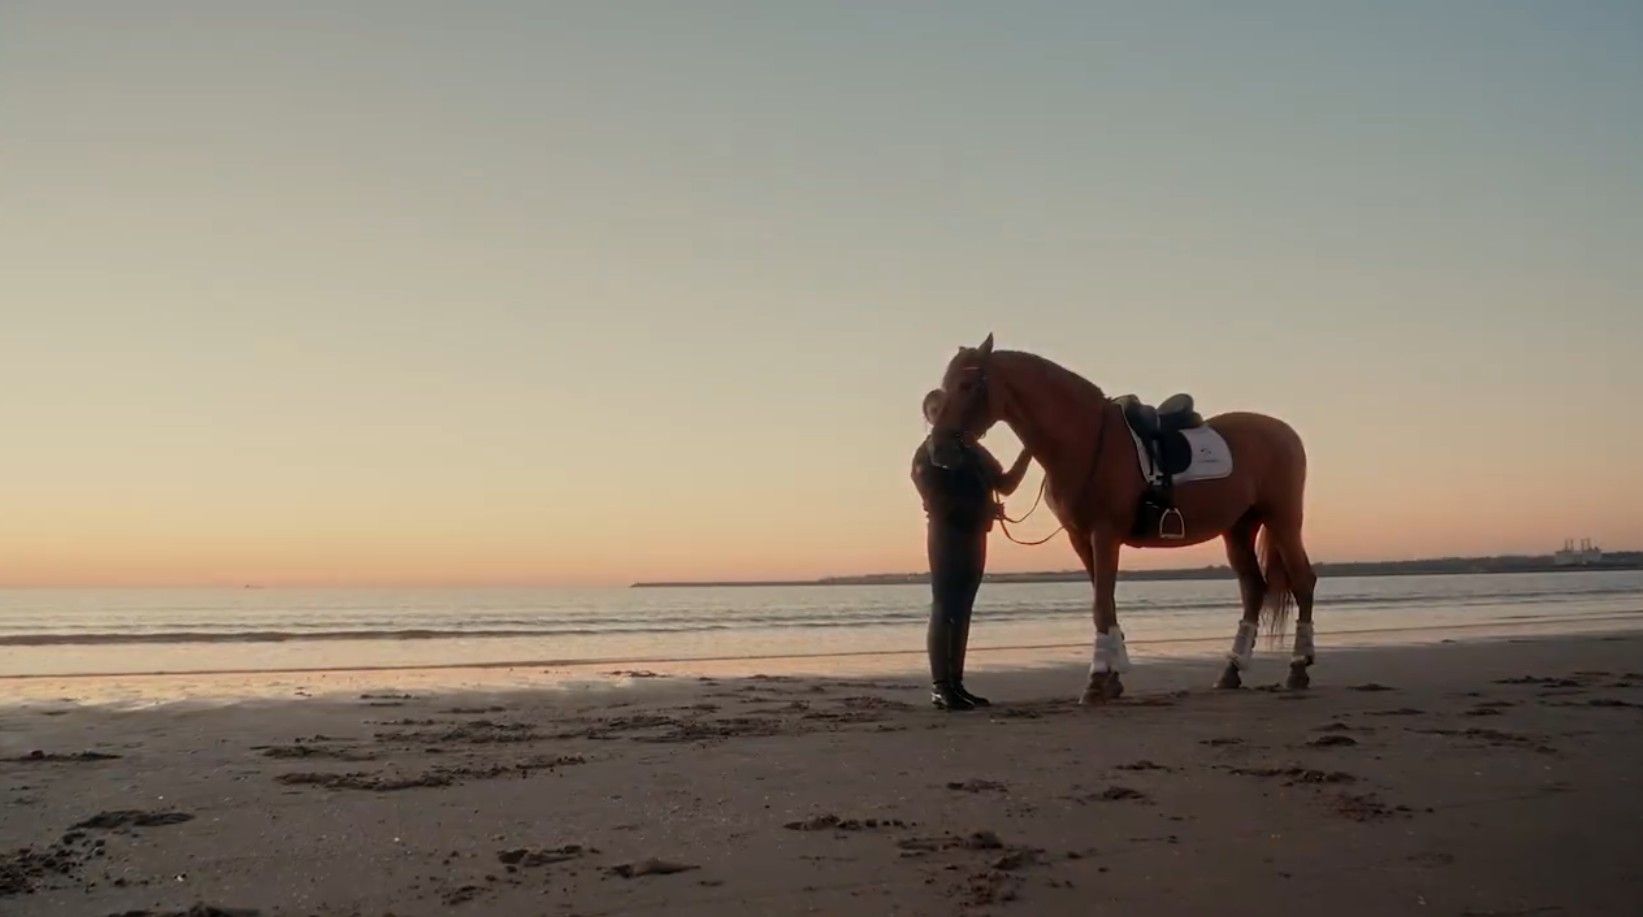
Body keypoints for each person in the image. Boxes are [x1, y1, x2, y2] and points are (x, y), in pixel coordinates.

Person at [911, 389, 1033, 711]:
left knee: (963, 608)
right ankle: (940, 687)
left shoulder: (974, 450)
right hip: (947, 536)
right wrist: (986, 511)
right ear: (929, 417)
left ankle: (957, 684)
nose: (941, 414)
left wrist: (1029, 450)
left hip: (975, 535)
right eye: (934, 410)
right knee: (944, 605)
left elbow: (1005, 484)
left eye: (945, 408)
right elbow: (940, 504)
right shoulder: (927, 454)